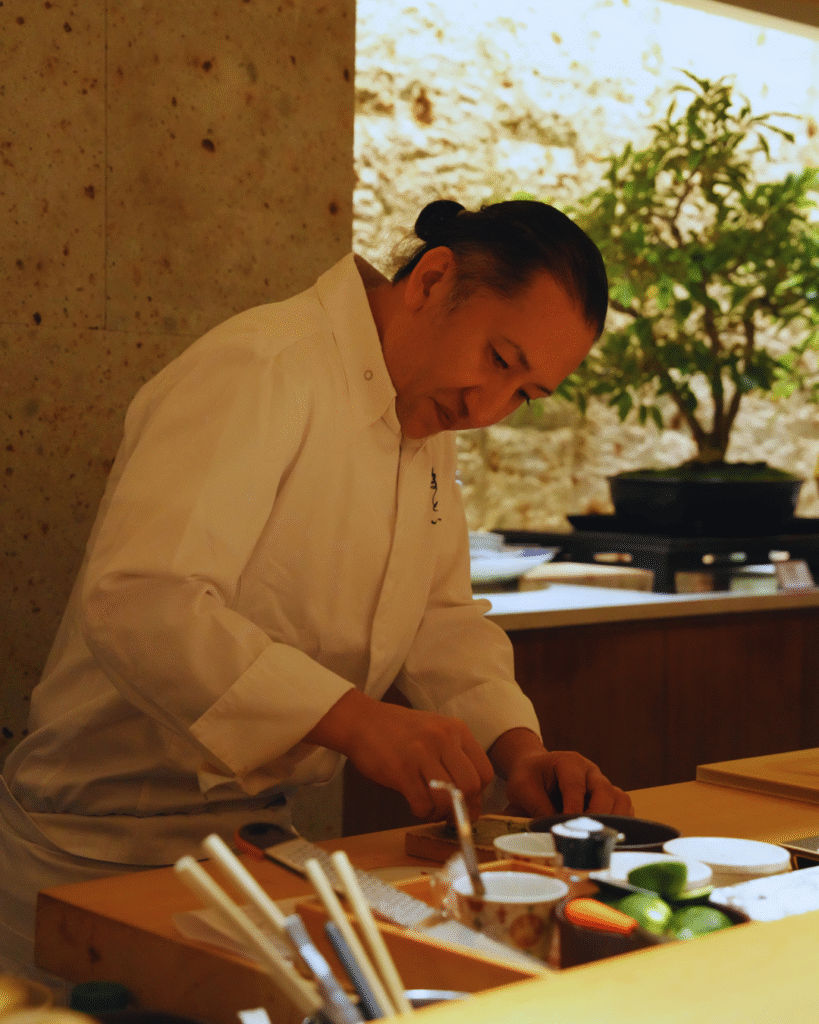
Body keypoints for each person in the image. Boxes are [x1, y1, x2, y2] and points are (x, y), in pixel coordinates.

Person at [0, 198, 633, 983]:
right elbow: (141, 601)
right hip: (91, 842)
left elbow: (438, 615)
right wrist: (354, 720)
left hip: (253, 841)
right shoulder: (264, 363)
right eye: (499, 361)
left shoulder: (423, 414)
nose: (487, 410)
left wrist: (518, 748)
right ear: (433, 279)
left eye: (524, 395)